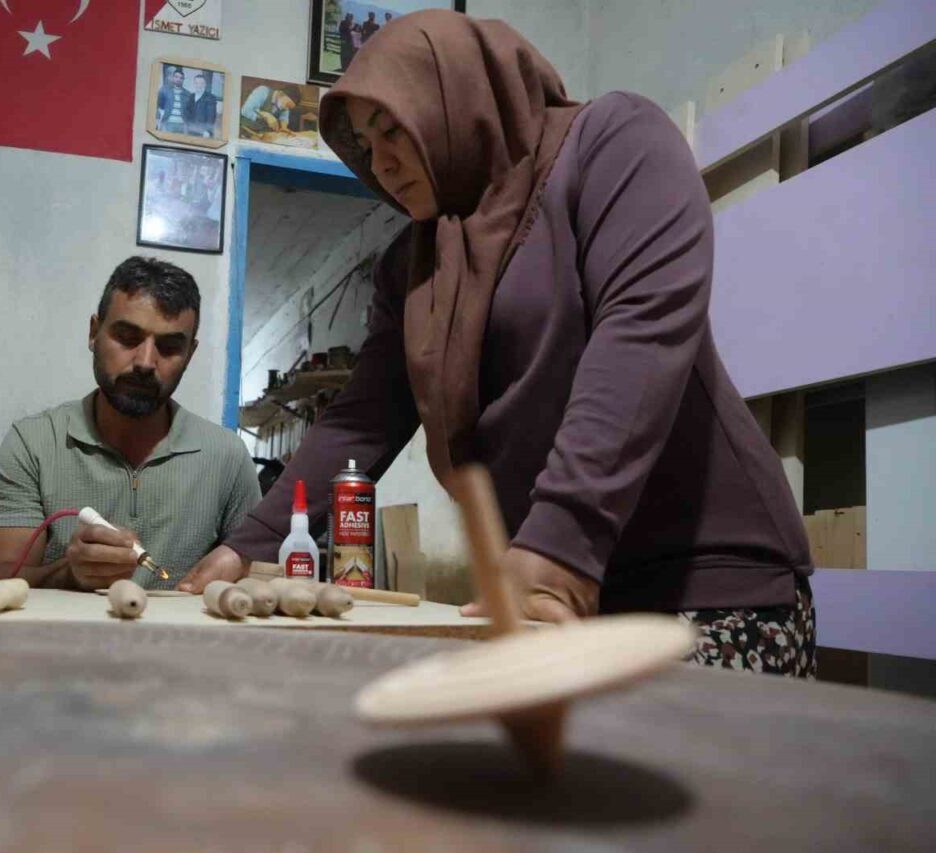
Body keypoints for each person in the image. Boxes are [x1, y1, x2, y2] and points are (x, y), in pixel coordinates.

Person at [181, 12, 816, 676]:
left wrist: (560, 545)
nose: (382, 161)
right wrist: (248, 545)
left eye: (394, 127)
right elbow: (360, 420)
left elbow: (642, 332)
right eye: (365, 145)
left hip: (709, 589)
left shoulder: (615, 144)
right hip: (570, 597)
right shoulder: (412, 266)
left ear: (455, 95)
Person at [0, 256, 261, 591]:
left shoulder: (227, 456)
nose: (145, 362)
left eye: (169, 347)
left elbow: (257, 574)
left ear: (190, 354)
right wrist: (70, 574)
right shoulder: (35, 443)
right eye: (128, 337)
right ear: (93, 332)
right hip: (60, 643)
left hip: (183, 643)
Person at [156, 67, 190, 134]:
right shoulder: (164, 90)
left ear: (183, 80)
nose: (178, 79)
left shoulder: (188, 94)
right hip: (168, 123)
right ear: (173, 77)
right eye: (176, 77)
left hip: (182, 125)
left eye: (181, 78)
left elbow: (189, 111)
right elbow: (158, 106)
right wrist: (157, 121)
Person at [185, 73, 218, 138]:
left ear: (205, 84)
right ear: (194, 84)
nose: (199, 85)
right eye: (196, 83)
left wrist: (207, 131)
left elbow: (211, 117)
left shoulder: (210, 98)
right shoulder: (191, 96)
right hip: (191, 130)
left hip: (204, 133)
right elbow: (187, 113)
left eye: (201, 83)